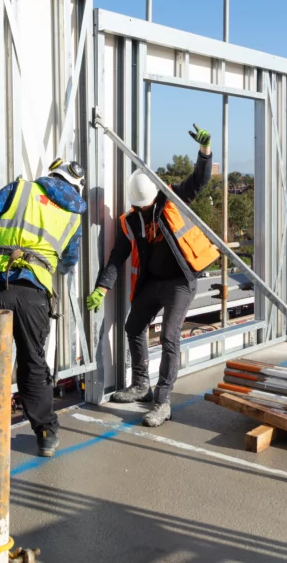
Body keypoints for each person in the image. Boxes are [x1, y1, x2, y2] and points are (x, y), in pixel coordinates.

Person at [0, 158, 87, 477]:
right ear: (76, 188)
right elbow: (68, 261)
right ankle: (45, 434)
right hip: (32, 292)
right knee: (33, 363)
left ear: (50, 175)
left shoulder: (21, 189)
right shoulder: (73, 215)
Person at [87, 126, 219, 427]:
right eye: (139, 207)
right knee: (133, 327)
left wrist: (204, 152)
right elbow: (116, 258)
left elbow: (199, 181)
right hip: (154, 281)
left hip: (180, 282)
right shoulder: (130, 220)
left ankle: (162, 402)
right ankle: (141, 385)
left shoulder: (170, 198)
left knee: (170, 336)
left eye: (146, 206)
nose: (144, 211)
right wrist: (101, 288)